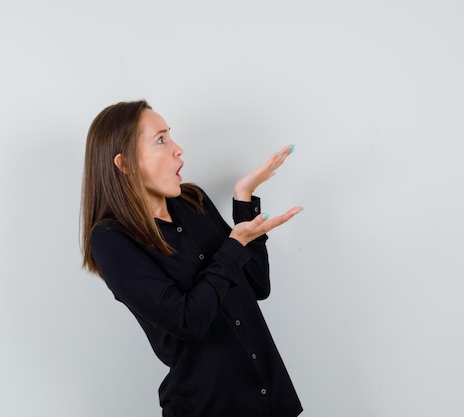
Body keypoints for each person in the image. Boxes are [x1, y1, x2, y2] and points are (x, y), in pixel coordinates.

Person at [81, 100, 304, 417]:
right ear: (125, 164)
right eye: (161, 140)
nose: (178, 149)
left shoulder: (193, 201)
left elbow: (256, 285)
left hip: (272, 400)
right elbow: (188, 321)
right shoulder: (111, 241)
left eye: (170, 136)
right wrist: (233, 245)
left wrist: (244, 200)